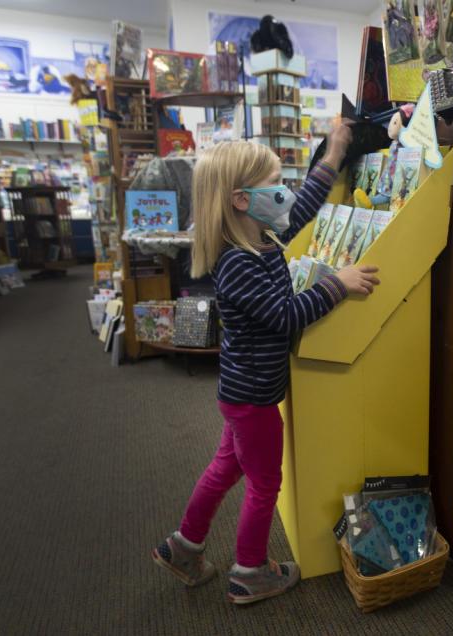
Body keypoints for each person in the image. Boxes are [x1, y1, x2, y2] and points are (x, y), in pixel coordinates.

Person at [152, 125, 379, 605]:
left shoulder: (260, 239)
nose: (284, 192)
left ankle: (183, 546)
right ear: (240, 200)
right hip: (254, 399)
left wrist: (334, 153)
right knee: (264, 484)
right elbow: (285, 316)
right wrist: (337, 284)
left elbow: (301, 208)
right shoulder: (239, 263)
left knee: (223, 469)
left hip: (241, 393)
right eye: (274, 184)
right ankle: (250, 570)